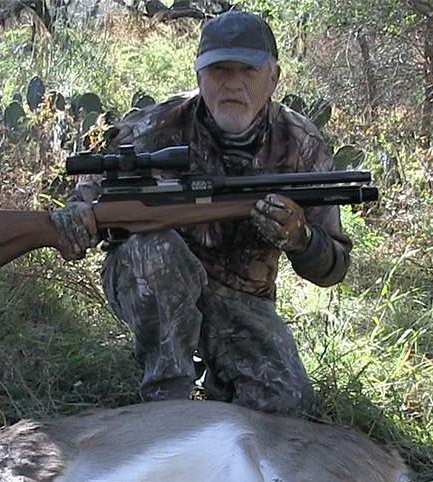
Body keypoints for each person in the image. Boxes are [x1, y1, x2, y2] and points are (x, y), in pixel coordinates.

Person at [50, 10, 352, 414]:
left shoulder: (301, 144)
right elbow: (88, 198)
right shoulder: (154, 130)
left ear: (273, 77)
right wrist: (77, 219)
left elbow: (333, 268)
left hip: (242, 300)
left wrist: (301, 238)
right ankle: (166, 402)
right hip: (156, 280)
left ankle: (219, 385)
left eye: (248, 69)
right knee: (153, 250)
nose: (233, 83)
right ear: (198, 76)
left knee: (288, 401)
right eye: (219, 69)